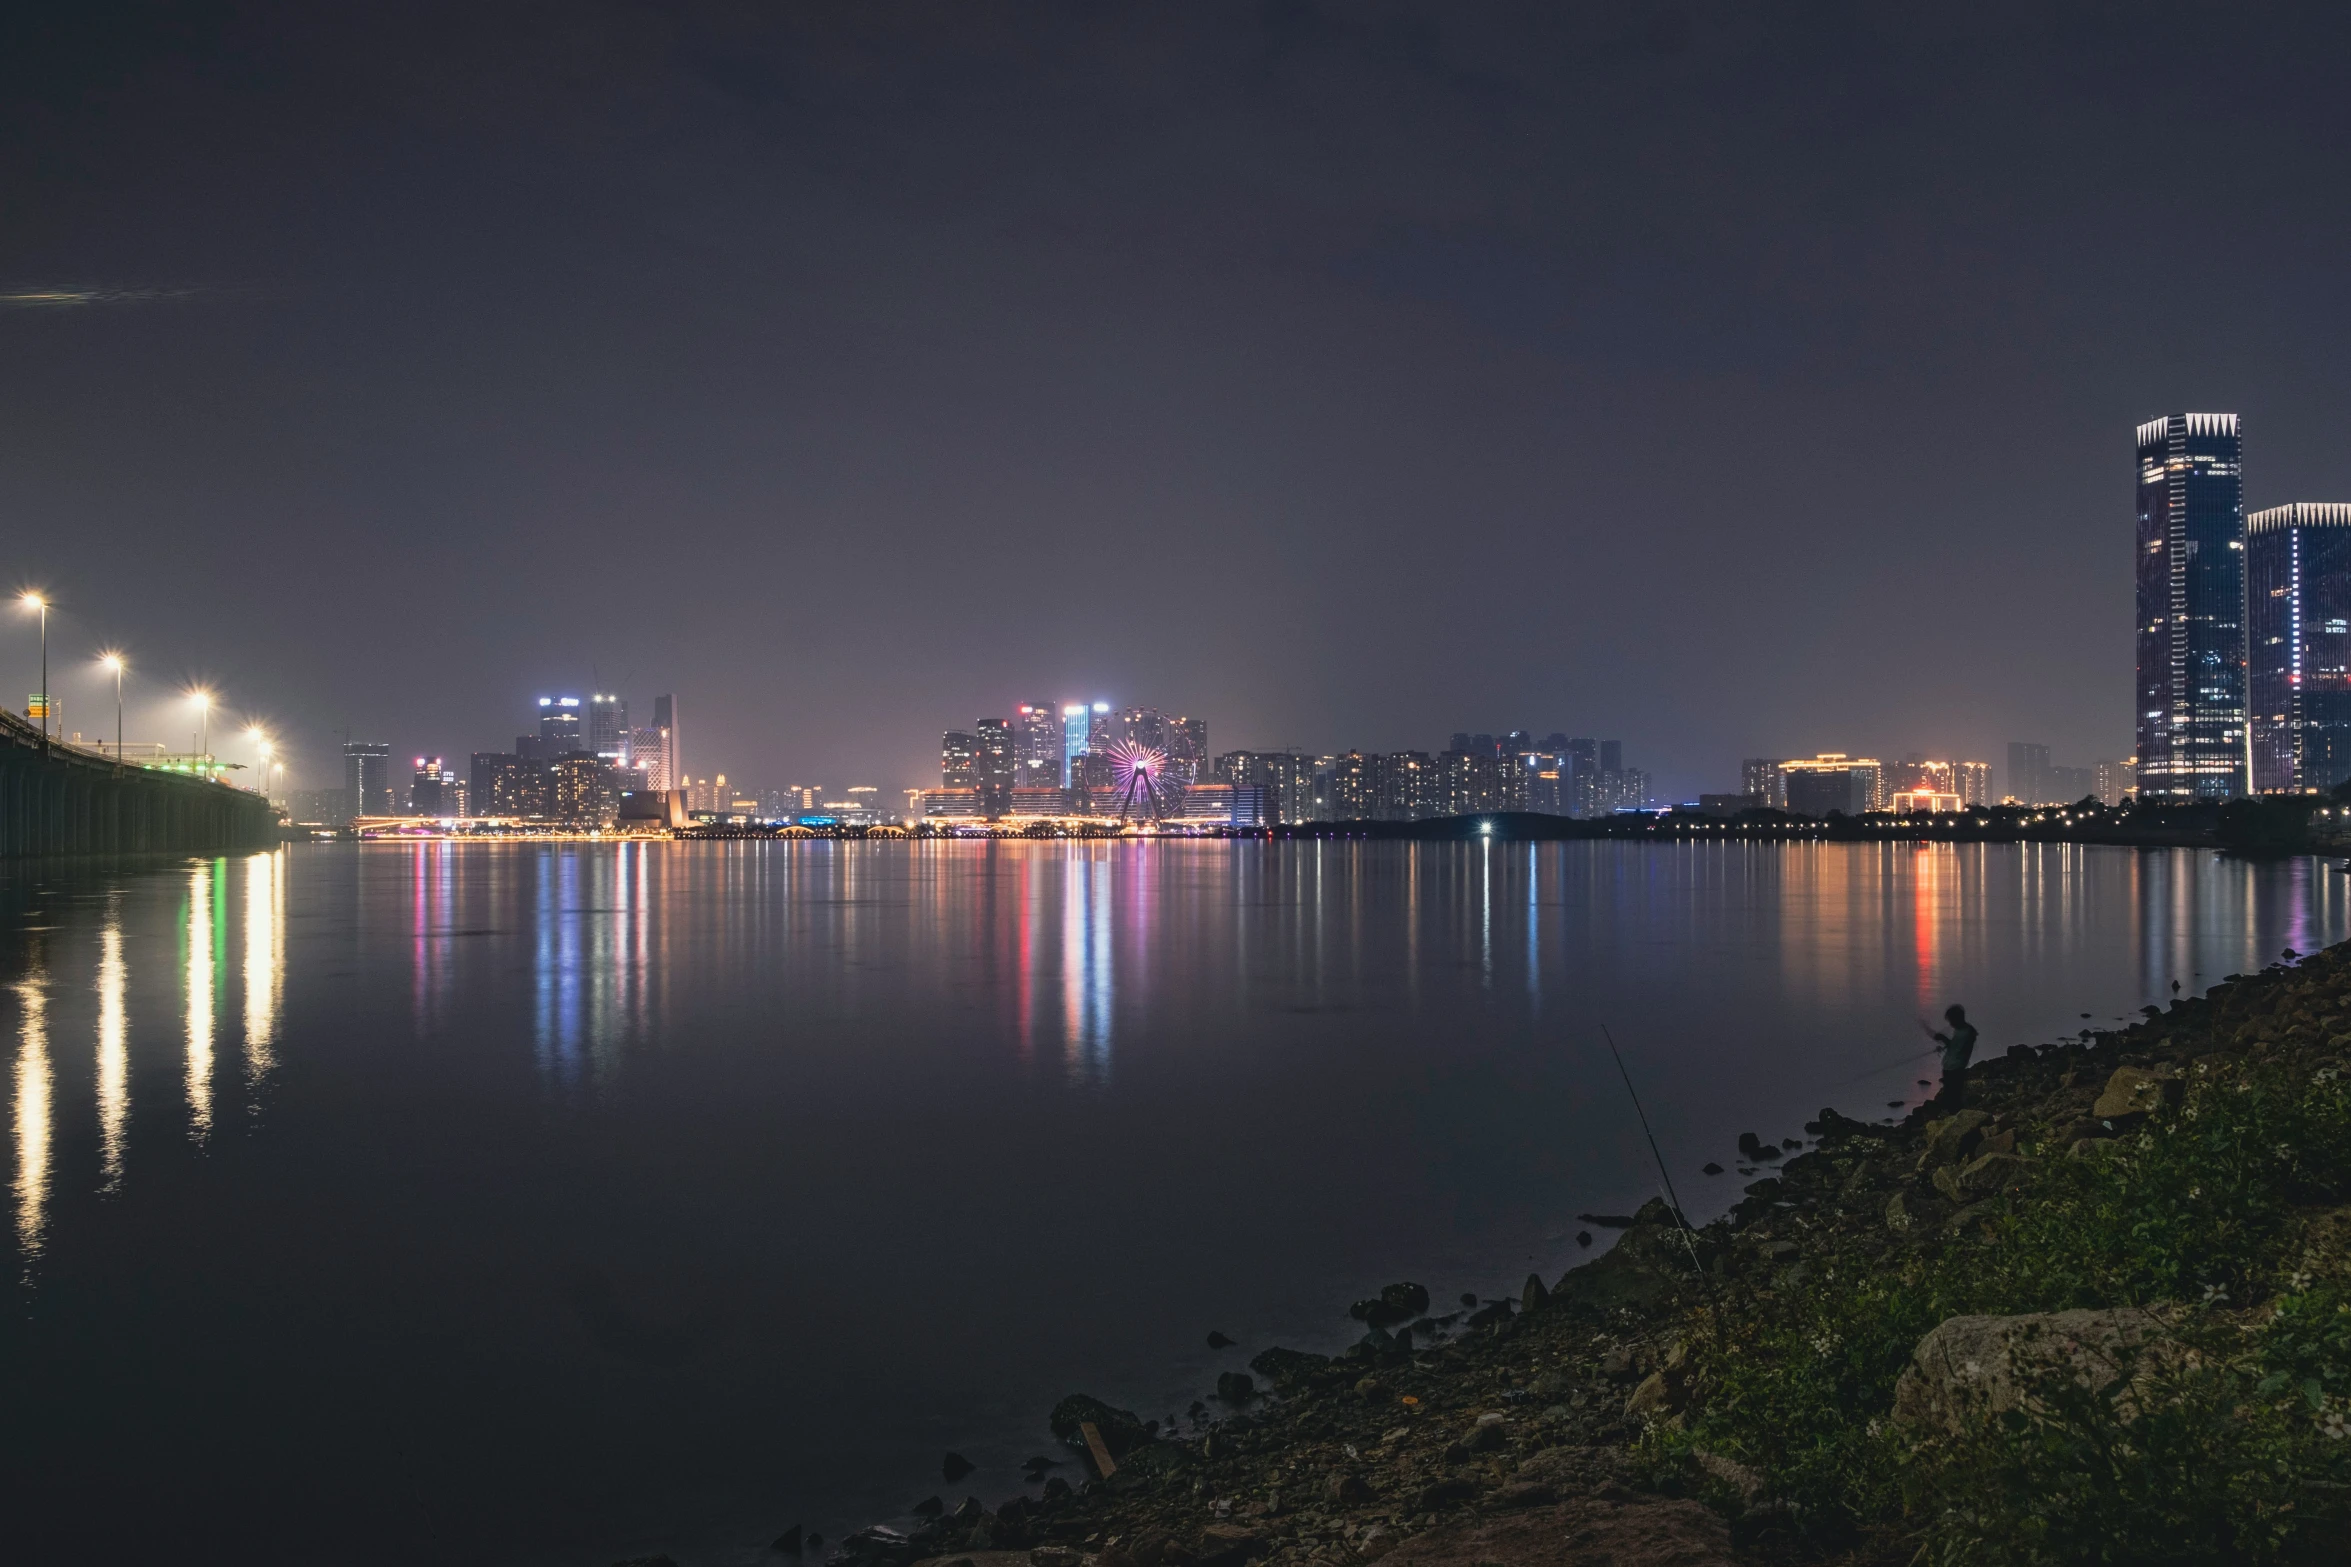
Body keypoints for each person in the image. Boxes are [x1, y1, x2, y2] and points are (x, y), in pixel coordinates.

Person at [1926, 1003, 1979, 1108]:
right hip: (1951, 1066)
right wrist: (1944, 1040)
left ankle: (1955, 1116)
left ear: (1957, 1019)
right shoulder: (1963, 1030)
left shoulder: (1966, 1033)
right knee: (1952, 1095)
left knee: (1952, 1096)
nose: (1950, 1024)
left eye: (1951, 1020)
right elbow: (1955, 1046)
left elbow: (1960, 1049)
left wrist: (1943, 1039)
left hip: (1955, 1068)